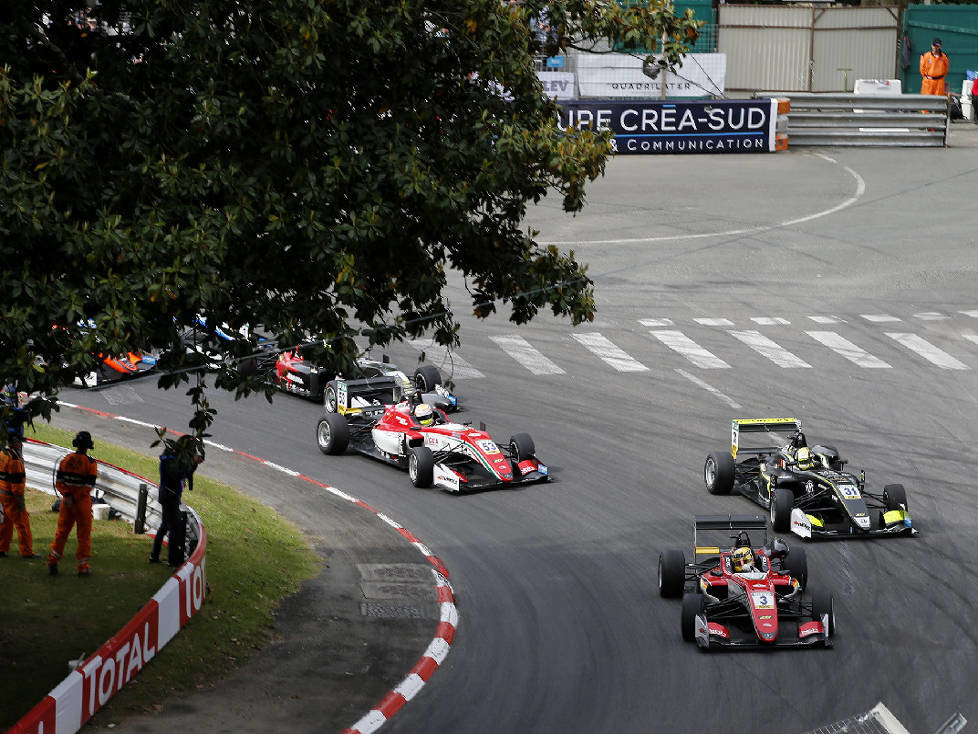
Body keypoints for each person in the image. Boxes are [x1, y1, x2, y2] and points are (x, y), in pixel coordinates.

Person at [46, 431, 99, 576]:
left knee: (61, 532)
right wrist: (75, 497)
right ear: (88, 446)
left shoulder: (66, 460)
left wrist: (68, 496)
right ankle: (83, 567)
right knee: (83, 535)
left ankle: (52, 561)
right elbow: (88, 486)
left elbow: (59, 482)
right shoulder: (91, 464)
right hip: (81, 503)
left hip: (66, 503)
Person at [150, 435, 203, 566]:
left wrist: (193, 463)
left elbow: (186, 474)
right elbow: (178, 475)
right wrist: (192, 463)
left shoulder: (174, 458)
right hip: (169, 496)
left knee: (165, 526)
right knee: (173, 528)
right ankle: (173, 560)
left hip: (170, 495)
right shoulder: (170, 459)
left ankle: (155, 555)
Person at [0, 426, 39, 559]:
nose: (21, 444)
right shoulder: (15, 460)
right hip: (11, 497)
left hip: (2, 495)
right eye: (19, 442)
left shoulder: (2, 454)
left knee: (5, 522)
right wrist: (21, 503)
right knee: (22, 523)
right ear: (14, 443)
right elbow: (17, 487)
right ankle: (27, 551)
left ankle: (1, 548)